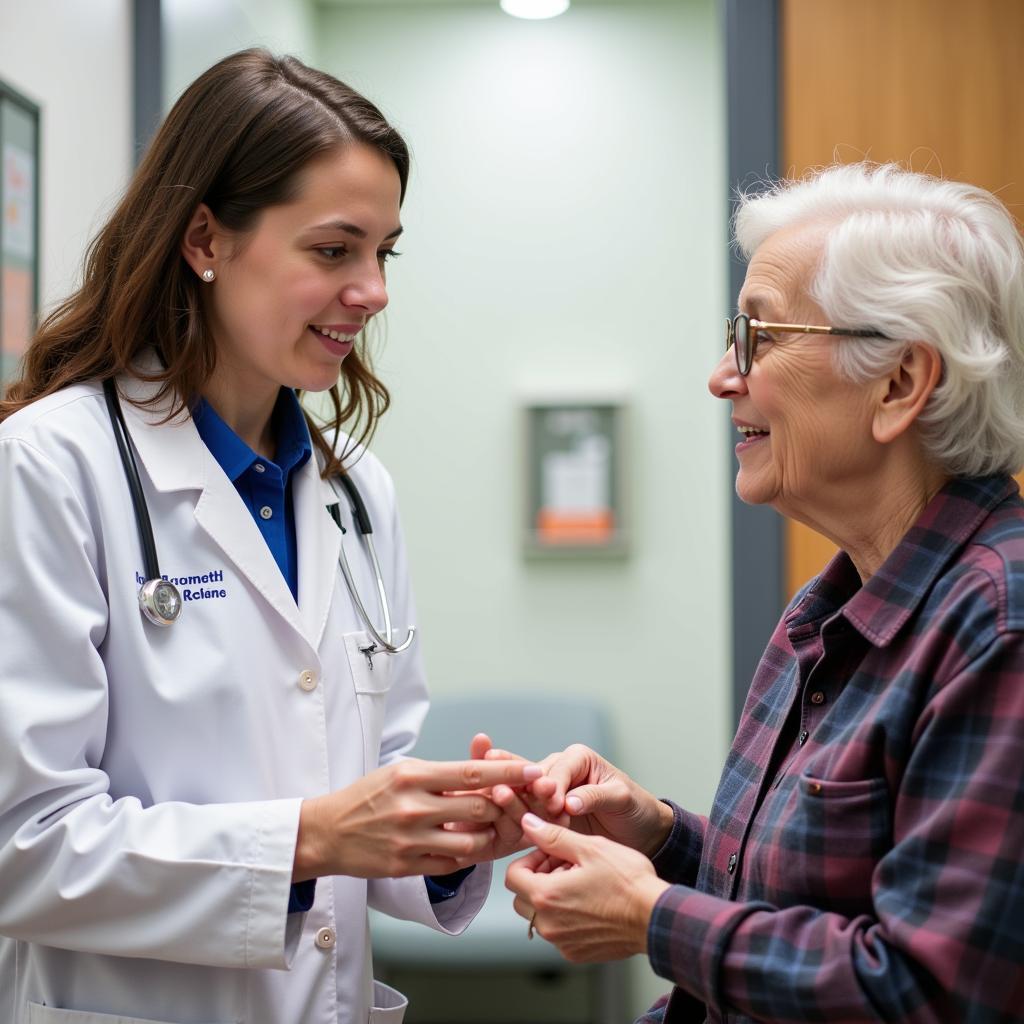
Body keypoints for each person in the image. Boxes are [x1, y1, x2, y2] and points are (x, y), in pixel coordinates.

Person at [0, 49, 539, 1024]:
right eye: (334, 251)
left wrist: (446, 832)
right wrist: (309, 838)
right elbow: (24, 845)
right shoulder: (48, 468)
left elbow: (362, 782)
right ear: (205, 237)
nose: (372, 290)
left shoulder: (354, 491)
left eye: (385, 252)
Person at [495, 162, 1024, 1022]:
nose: (720, 376)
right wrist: (659, 839)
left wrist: (651, 916)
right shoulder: (827, 610)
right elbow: (802, 907)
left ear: (899, 384)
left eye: (759, 337)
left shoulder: (998, 627)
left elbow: (927, 990)